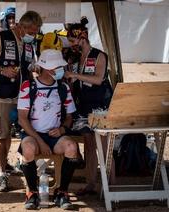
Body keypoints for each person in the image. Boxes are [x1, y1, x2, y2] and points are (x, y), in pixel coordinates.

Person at [0, 11, 41, 192]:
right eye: (32, 31)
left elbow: (27, 66)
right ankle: (1, 175)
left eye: (36, 32)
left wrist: (34, 71)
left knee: (13, 135)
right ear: (21, 26)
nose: (34, 35)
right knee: (1, 136)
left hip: (21, 96)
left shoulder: (29, 44)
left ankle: (7, 165)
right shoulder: (0, 37)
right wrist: (1, 70)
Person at [18, 49, 84, 210]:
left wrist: (62, 129)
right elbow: (22, 118)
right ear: (48, 69)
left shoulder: (63, 88)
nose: (62, 70)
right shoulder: (29, 86)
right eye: (59, 67)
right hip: (33, 135)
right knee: (27, 149)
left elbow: (69, 116)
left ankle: (62, 193)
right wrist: (40, 141)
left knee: (71, 147)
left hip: (55, 135)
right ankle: (32, 193)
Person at [64, 18, 113, 196]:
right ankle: (91, 183)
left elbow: (99, 79)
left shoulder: (99, 55)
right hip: (83, 104)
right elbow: (74, 80)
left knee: (105, 145)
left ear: (82, 38)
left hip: (101, 104)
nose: (71, 45)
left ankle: (111, 184)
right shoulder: (75, 57)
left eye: (72, 41)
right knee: (89, 145)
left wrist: (76, 75)